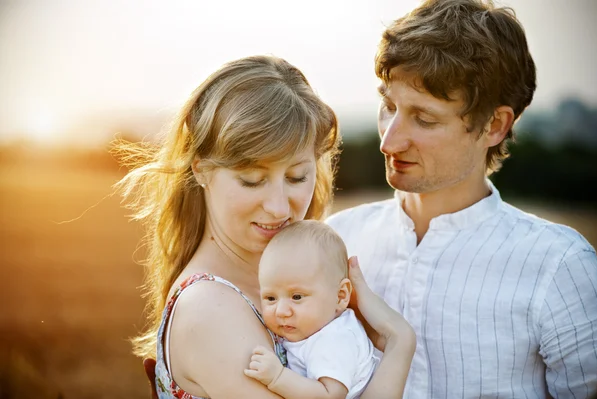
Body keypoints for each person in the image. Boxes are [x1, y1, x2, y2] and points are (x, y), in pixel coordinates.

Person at [326, 0, 597, 398]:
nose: (389, 140)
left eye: (424, 118)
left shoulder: (559, 266)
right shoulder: (335, 241)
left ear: (494, 125)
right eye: (388, 106)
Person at [116, 55, 416, 399]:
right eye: (252, 180)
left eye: (296, 176)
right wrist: (398, 344)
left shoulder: (296, 277)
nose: (277, 206)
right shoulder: (211, 310)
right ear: (201, 170)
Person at [244, 220, 378, 399]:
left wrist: (278, 377)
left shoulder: (335, 339)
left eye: (297, 297)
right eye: (271, 298)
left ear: (340, 296)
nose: (281, 311)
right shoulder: (312, 327)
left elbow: (331, 395)